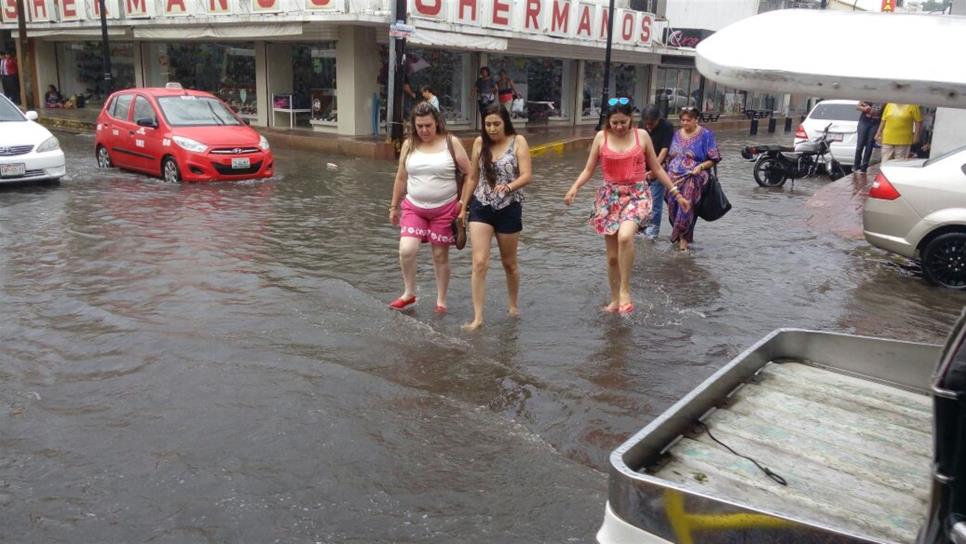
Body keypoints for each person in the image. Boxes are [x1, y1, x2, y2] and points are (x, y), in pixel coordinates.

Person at [564, 98, 690, 315]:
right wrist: (574, 187)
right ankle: (615, 301)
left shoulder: (641, 136)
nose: (619, 127)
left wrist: (676, 193)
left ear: (631, 119)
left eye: (623, 122)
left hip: (636, 195)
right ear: (608, 122)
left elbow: (657, 168)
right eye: (615, 123)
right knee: (612, 258)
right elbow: (588, 169)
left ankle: (625, 291)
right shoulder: (600, 138)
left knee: (625, 237)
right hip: (610, 198)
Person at [388, 102, 471, 314]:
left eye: (428, 125)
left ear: (437, 123)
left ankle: (441, 301)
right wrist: (393, 206)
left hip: (445, 208)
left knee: (440, 255)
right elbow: (400, 177)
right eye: (419, 126)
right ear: (413, 126)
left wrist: (463, 203)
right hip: (414, 207)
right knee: (407, 249)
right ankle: (409, 293)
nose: (424, 130)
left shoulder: (451, 143)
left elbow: (470, 173)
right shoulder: (409, 145)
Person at [458, 103, 532, 331]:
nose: (491, 128)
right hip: (481, 206)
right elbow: (472, 177)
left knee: (509, 264)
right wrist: (462, 206)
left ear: (505, 122)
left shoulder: (518, 142)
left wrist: (509, 187)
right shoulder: (480, 143)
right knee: (479, 262)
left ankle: (512, 305)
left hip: (509, 207)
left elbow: (528, 175)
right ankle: (478, 318)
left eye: (496, 124)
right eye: (488, 124)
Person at [664, 106, 721, 252]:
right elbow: (670, 156)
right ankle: (679, 235)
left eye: (688, 120)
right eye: (682, 120)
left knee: (687, 205)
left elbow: (714, 159)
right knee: (673, 206)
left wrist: (701, 167)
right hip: (674, 176)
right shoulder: (676, 134)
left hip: (694, 176)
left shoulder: (706, 135)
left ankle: (683, 240)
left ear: (696, 120)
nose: (684, 123)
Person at [639, 106, 675, 239]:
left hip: (659, 167)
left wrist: (655, 169)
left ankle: (652, 232)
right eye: (646, 123)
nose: (648, 126)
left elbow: (665, 150)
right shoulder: (642, 125)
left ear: (658, 119)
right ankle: (640, 228)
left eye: (651, 123)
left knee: (655, 201)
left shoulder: (667, 127)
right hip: (642, 168)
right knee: (641, 200)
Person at [853, 101, 882, 173]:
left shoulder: (884, 99)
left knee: (870, 145)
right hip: (864, 121)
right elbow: (858, 106)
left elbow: (884, 112)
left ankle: (864, 168)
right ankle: (856, 166)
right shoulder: (869, 96)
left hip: (876, 122)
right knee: (860, 144)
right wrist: (865, 109)